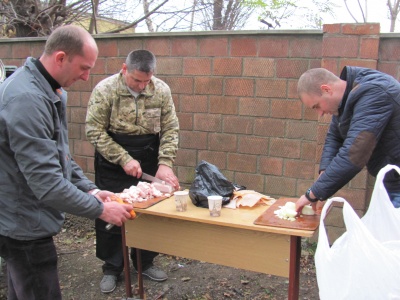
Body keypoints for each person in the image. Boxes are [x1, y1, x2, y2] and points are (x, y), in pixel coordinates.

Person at [0, 25, 133, 300]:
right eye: (84, 68)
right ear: (60, 57)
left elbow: (60, 158)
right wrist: (100, 210)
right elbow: (47, 183)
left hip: (28, 219)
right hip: (23, 225)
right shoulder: (28, 99)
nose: (86, 77)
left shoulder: (50, 90)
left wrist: (91, 190)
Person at [85, 49, 180, 293]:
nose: (141, 86)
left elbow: (171, 128)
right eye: (137, 80)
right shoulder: (105, 90)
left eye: (146, 81)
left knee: (148, 212)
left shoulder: (161, 90)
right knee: (111, 210)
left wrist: (165, 162)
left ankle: (144, 262)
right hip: (112, 157)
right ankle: (112, 267)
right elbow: (94, 130)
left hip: (148, 155)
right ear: (124, 69)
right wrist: (123, 158)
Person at [295, 66, 400, 214]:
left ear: (326, 89)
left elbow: (355, 153)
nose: (320, 113)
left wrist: (312, 194)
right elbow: (334, 137)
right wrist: (324, 174)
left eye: (317, 106)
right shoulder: (347, 97)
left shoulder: (374, 93)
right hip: (392, 181)